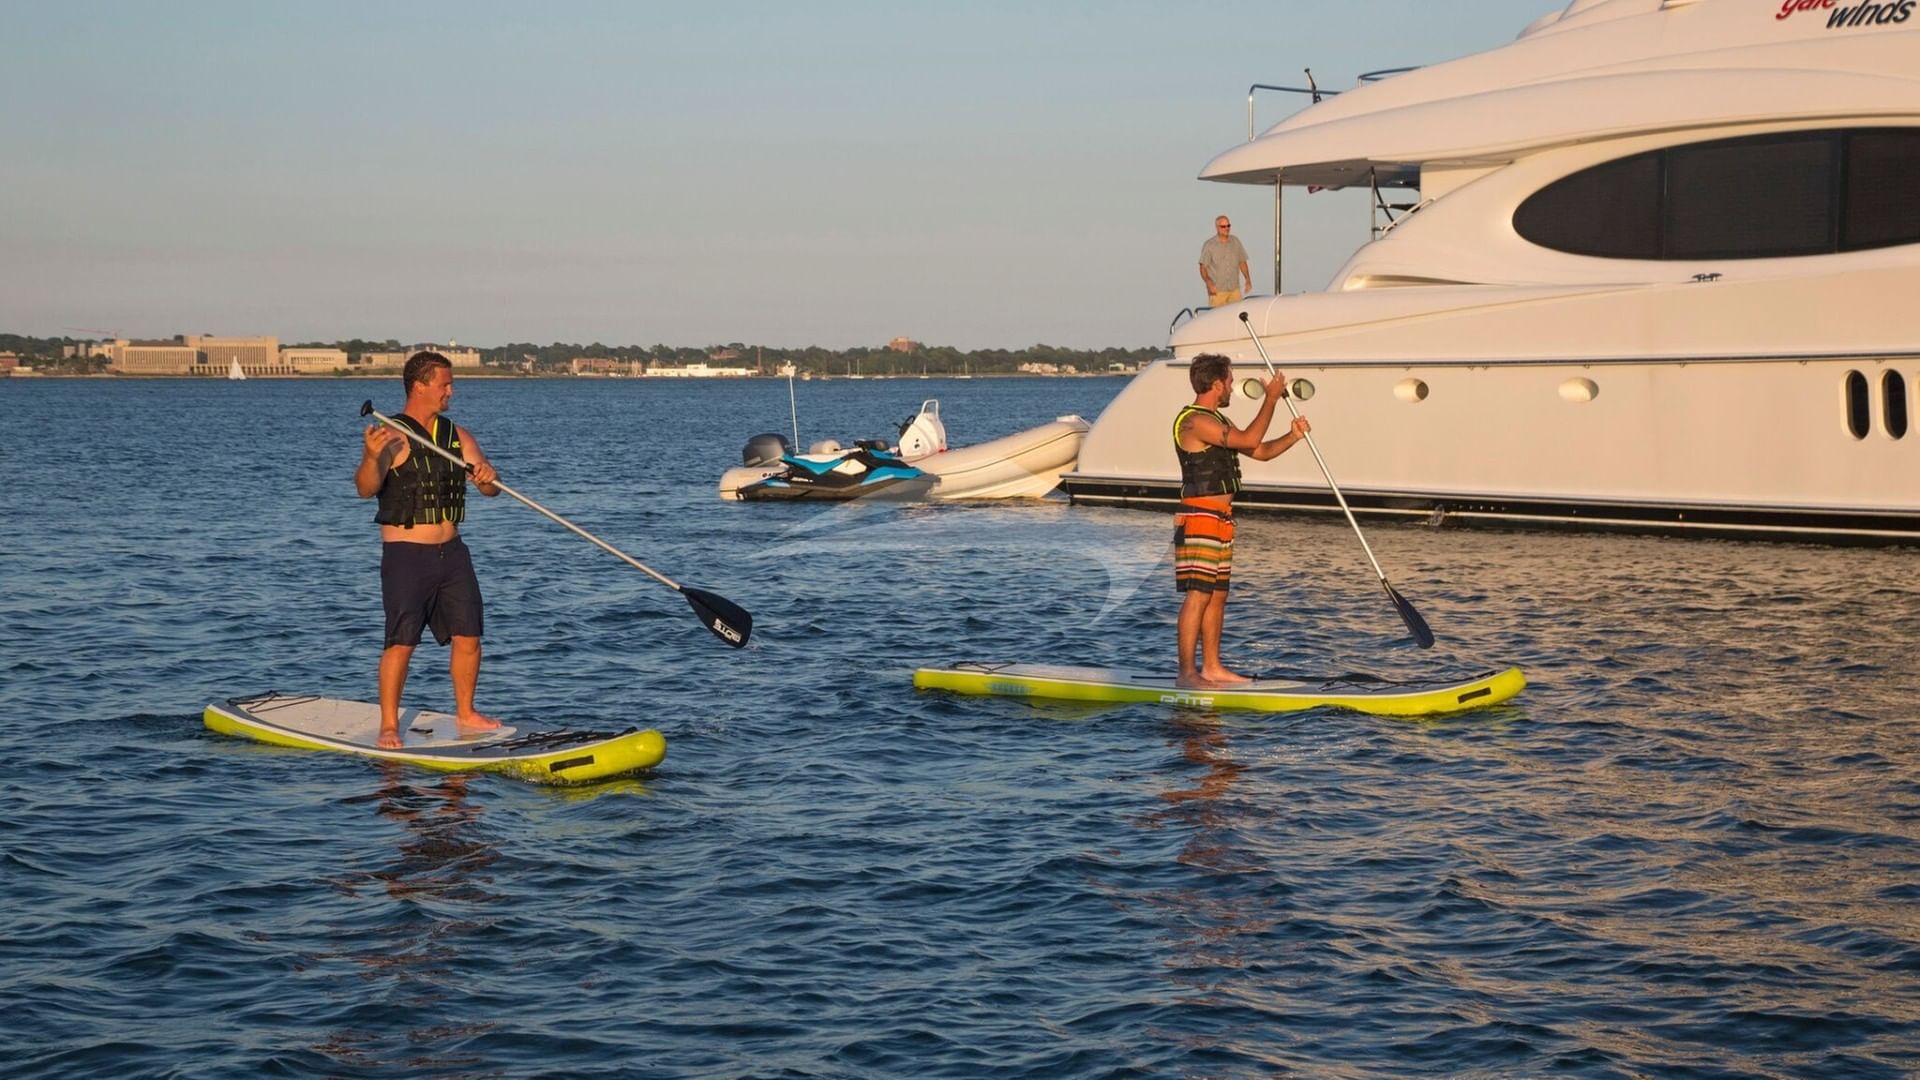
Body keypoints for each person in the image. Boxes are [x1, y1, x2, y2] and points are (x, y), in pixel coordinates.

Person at [354, 351, 504, 749]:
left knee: (469, 636)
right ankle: (389, 724)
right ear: (420, 386)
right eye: (445, 384)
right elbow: (365, 488)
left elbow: (490, 489)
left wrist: (488, 478)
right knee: (402, 641)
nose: (451, 391)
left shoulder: (458, 437)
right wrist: (371, 457)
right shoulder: (391, 436)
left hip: (452, 554)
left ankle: (466, 712)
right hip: (407, 556)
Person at [1172, 353, 1311, 688]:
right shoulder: (1194, 421)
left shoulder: (1217, 420)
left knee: (1217, 595)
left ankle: (1213, 667)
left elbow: (1259, 451)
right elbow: (1249, 439)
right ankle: (1187, 673)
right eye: (1230, 381)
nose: (1232, 387)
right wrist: (1271, 398)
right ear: (1217, 383)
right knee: (1198, 595)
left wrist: (1292, 436)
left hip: (1221, 519)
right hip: (1199, 517)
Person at [1198, 216, 1252, 307]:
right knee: (1217, 315)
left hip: (1234, 290)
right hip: (1217, 291)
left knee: (1236, 314)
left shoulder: (1235, 242)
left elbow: (1242, 262)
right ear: (1217, 228)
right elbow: (1203, 267)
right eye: (1223, 226)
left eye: (1228, 226)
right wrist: (1208, 282)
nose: (1226, 228)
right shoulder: (1209, 245)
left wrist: (1248, 279)